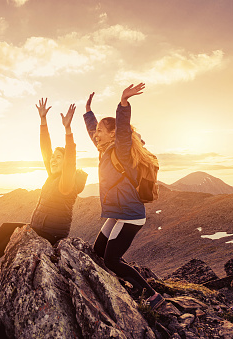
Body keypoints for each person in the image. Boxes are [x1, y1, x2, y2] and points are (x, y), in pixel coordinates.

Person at [83, 84, 164, 310]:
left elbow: (123, 130)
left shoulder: (122, 151)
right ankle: (133, 285)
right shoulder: (105, 149)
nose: (95, 134)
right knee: (98, 252)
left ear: (112, 134)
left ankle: (152, 295)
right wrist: (89, 112)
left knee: (111, 260)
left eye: (100, 130)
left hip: (129, 215)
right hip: (118, 214)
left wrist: (123, 103)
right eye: (96, 131)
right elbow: (93, 133)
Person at [0, 98, 88, 259]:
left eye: (58, 158)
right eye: (53, 157)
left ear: (65, 162)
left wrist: (68, 130)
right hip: (39, 227)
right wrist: (43, 121)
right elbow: (45, 150)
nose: (53, 159)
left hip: (50, 233)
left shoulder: (66, 183)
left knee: (14, 233)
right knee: (7, 228)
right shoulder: (53, 176)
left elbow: (70, 162)